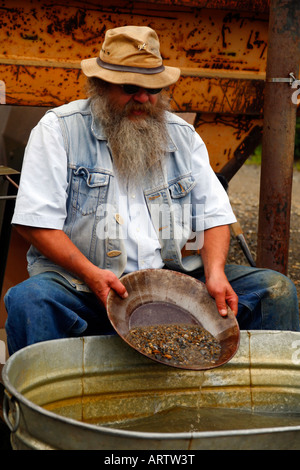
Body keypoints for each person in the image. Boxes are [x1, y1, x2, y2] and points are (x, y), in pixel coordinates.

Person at [4, 26, 299, 355]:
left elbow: (214, 216)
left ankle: (262, 397)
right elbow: (35, 222)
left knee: (275, 290)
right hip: (83, 287)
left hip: (169, 285)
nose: (144, 98)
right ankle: (42, 403)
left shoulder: (182, 136)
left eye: (153, 88)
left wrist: (215, 273)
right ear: (100, 86)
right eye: (131, 88)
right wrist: (91, 274)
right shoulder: (59, 130)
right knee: (29, 300)